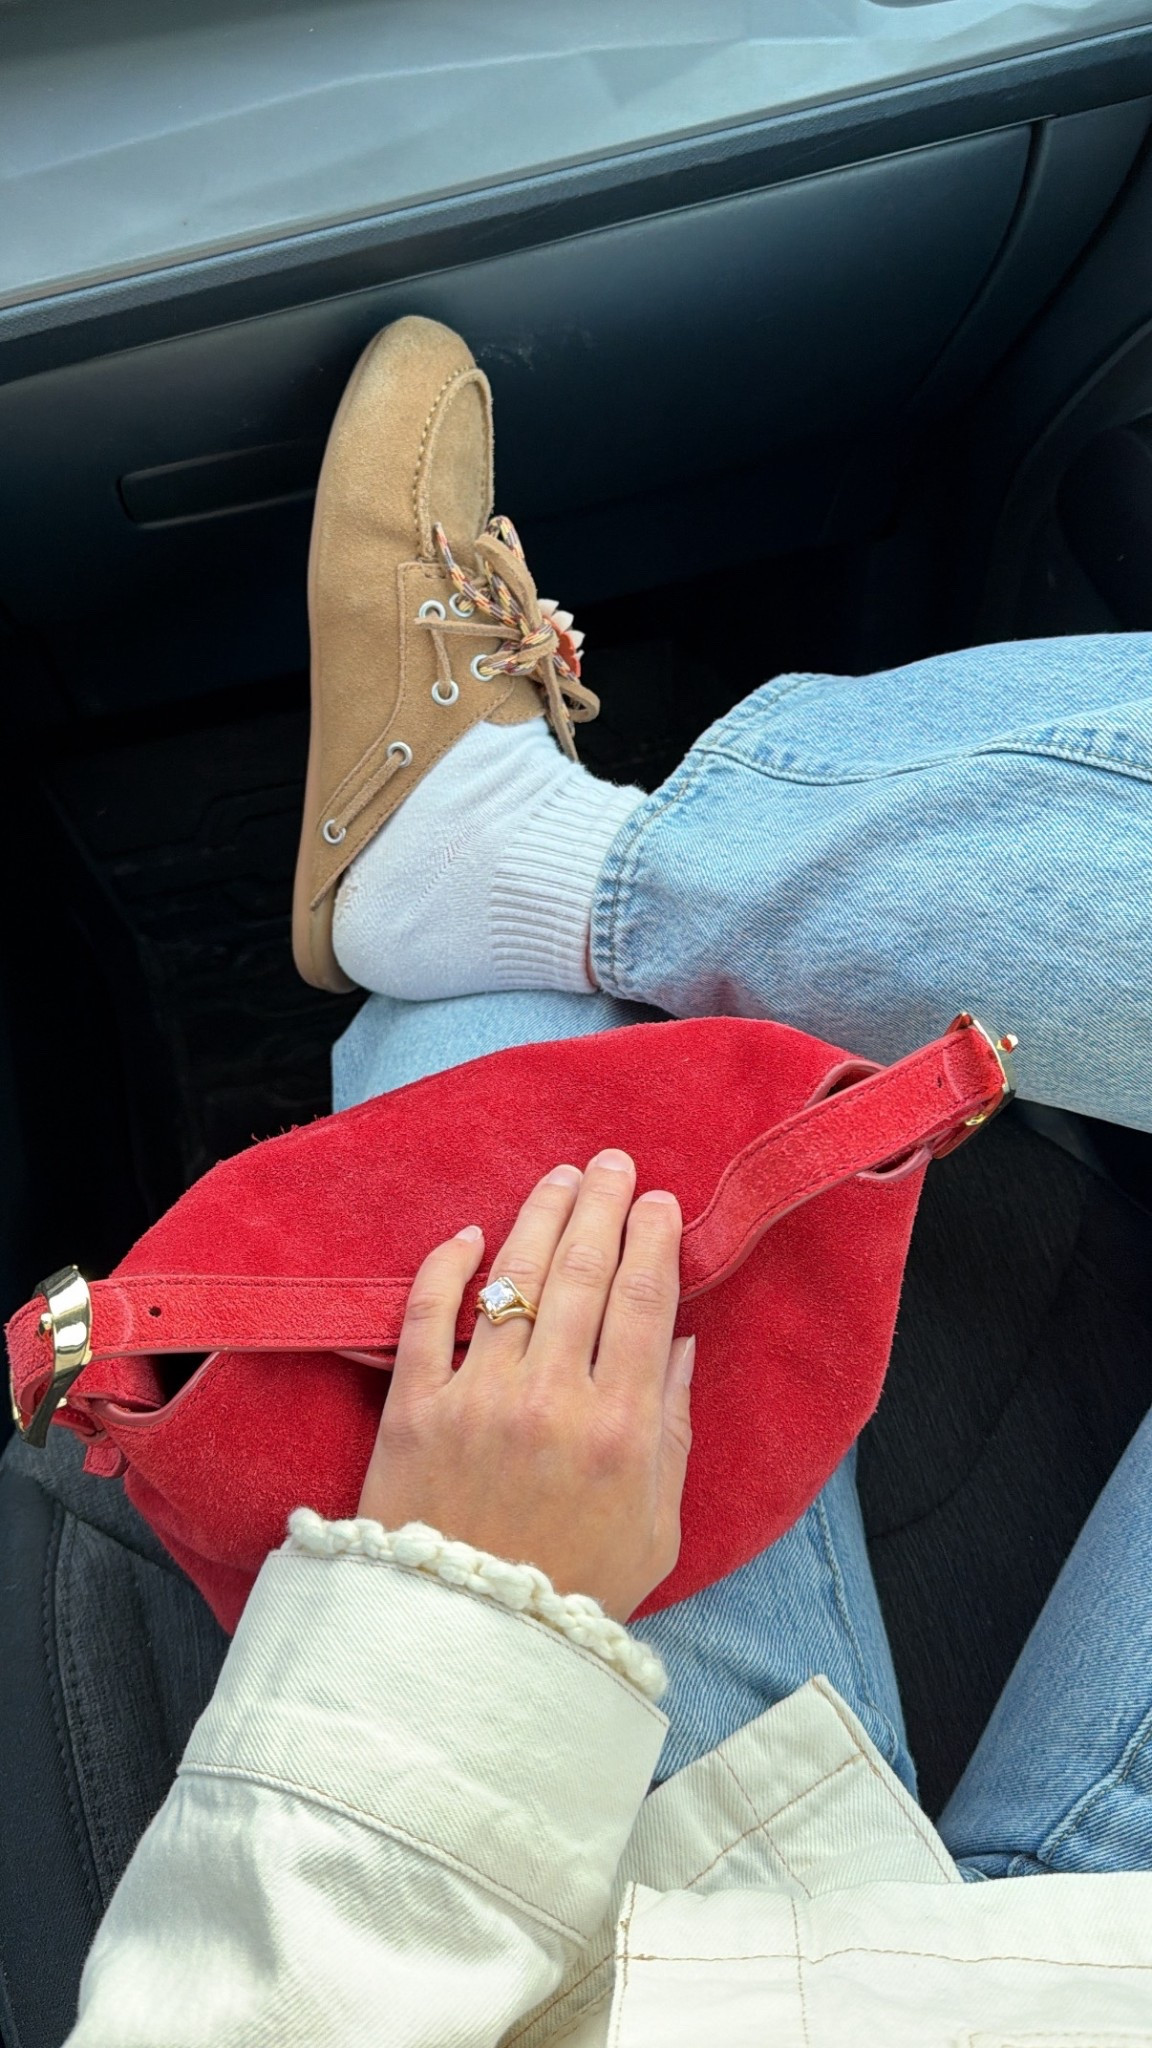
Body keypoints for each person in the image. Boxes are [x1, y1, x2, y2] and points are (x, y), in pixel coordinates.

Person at [63, 318, 1152, 2045]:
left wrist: (456, 1621)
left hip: (657, 1964)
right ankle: (540, 862)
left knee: (487, 1052)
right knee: (502, 1069)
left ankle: (536, 872)